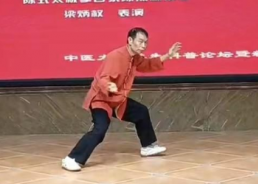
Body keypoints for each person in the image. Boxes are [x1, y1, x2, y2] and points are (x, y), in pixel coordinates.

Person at [62, 28, 182, 171]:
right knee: (100, 129)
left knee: (141, 112)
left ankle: (148, 146)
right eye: (140, 41)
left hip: (117, 100)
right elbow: (103, 78)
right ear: (130, 40)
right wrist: (109, 85)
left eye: (145, 42)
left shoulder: (135, 58)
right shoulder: (115, 56)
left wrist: (168, 55)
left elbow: (147, 64)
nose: (143, 45)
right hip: (101, 99)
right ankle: (72, 158)